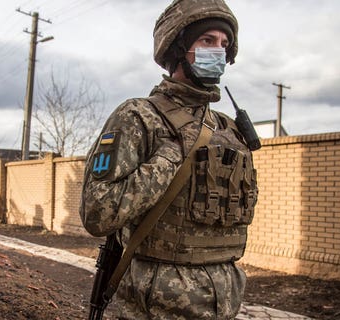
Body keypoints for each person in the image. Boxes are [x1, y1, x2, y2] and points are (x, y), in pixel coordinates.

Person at [80, 0, 258, 319]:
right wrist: (173, 153)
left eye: (224, 44)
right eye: (207, 41)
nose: (218, 51)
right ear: (178, 48)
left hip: (223, 303)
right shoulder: (139, 117)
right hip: (153, 307)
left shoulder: (227, 128)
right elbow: (97, 214)